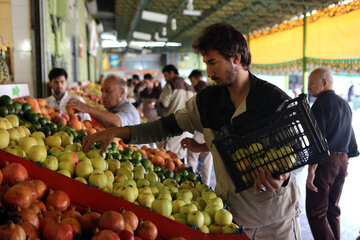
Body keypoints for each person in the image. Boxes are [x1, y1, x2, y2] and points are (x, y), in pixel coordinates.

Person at [82, 22, 301, 239]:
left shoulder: (273, 101)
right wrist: (119, 132)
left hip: (275, 221)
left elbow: (299, 150)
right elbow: (163, 127)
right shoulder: (207, 102)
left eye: (213, 62)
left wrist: (285, 175)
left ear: (236, 58)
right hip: (231, 218)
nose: (209, 72)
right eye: (206, 63)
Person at [306, 68, 358, 240]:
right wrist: (346, 162)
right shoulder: (344, 104)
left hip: (326, 163)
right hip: (342, 161)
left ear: (325, 82)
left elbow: (317, 140)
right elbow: (350, 137)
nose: (308, 87)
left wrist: (311, 170)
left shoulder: (320, 105)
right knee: (332, 209)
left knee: (316, 212)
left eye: (312, 82)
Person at [66, 75, 140, 128]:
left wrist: (87, 108)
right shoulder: (113, 109)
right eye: (102, 92)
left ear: (122, 93)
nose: (103, 96)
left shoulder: (129, 111)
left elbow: (117, 122)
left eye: (108, 91)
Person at [155, 64, 196, 160]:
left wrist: (158, 104)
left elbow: (164, 104)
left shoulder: (171, 84)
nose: (165, 79)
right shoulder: (190, 87)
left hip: (173, 125)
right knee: (180, 157)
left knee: (167, 156)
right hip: (187, 127)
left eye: (165, 75)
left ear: (172, 73)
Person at [181, 70, 213, 186]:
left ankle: (191, 180)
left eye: (192, 80)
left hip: (202, 128)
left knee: (192, 154)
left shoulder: (200, 88)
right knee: (207, 158)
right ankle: (206, 184)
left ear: (196, 78)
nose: (192, 83)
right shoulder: (208, 88)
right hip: (211, 129)